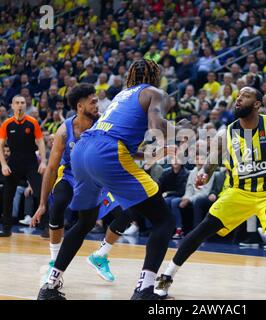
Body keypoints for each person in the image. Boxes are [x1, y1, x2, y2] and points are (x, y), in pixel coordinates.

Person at [37, 59, 187, 300]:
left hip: (83, 150)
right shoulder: (153, 92)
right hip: (107, 152)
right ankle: (145, 289)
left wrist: (153, 152)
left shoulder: (122, 95)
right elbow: (157, 125)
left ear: (130, 76)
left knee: (85, 222)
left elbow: (120, 139)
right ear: (155, 76)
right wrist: (180, 129)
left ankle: (49, 287)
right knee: (165, 220)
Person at [155, 87, 266, 298]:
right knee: (201, 231)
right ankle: (167, 275)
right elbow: (213, 159)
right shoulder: (226, 132)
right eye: (237, 96)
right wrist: (203, 173)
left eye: (245, 96)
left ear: (257, 104)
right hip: (238, 192)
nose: (238, 99)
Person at [30, 84, 133, 284]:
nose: (97, 105)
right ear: (80, 106)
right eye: (92, 102)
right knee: (58, 202)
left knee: (128, 213)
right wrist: (42, 204)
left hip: (97, 177)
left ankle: (100, 255)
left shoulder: (104, 124)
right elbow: (51, 169)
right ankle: (54, 262)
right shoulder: (64, 131)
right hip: (70, 175)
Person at [0, 95, 47, 237]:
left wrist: (43, 161)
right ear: (12, 106)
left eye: (22, 103)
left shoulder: (32, 122)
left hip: (31, 162)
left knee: (40, 193)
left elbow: (40, 142)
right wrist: (3, 164)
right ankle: (6, 228)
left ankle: (46, 227)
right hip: (13, 163)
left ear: (25, 105)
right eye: (17, 103)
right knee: (8, 195)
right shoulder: (6, 124)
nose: (20, 105)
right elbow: (0, 145)